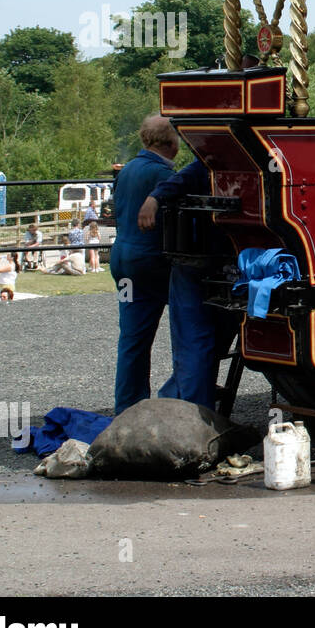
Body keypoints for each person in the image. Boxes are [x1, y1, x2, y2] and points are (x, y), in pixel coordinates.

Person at [138, 158, 237, 411]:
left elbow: (180, 180)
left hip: (200, 262)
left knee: (194, 343)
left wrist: (154, 199)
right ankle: (188, 405)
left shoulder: (205, 162)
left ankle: (186, 408)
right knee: (204, 343)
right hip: (232, 262)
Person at [111, 114, 179, 414]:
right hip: (152, 261)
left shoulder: (127, 170)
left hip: (123, 260)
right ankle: (179, 394)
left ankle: (128, 407)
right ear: (170, 142)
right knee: (193, 326)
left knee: (132, 339)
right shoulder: (162, 175)